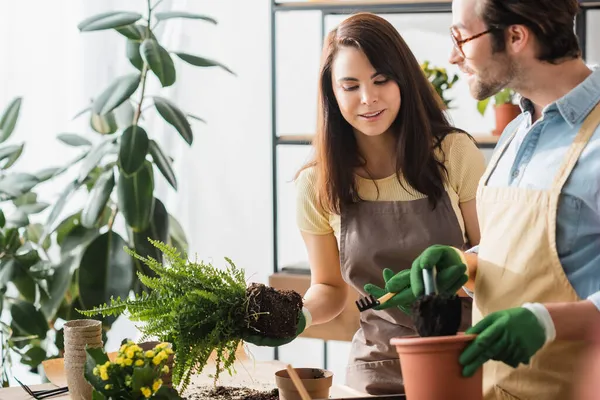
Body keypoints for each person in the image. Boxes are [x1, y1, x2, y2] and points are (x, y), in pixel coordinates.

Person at [245, 12, 486, 395]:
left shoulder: (453, 153)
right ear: (332, 93)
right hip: (375, 367)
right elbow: (329, 286)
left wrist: (454, 272)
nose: (368, 98)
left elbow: (493, 260)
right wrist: (299, 317)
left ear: (402, 79)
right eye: (350, 85)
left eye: (381, 80)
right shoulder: (317, 182)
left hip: (466, 357)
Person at [407, 0, 600, 398]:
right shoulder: (515, 132)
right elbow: (531, 250)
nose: (453, 55)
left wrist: (548, 322)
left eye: (461, 36)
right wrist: (467, 264)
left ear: (515, 36)